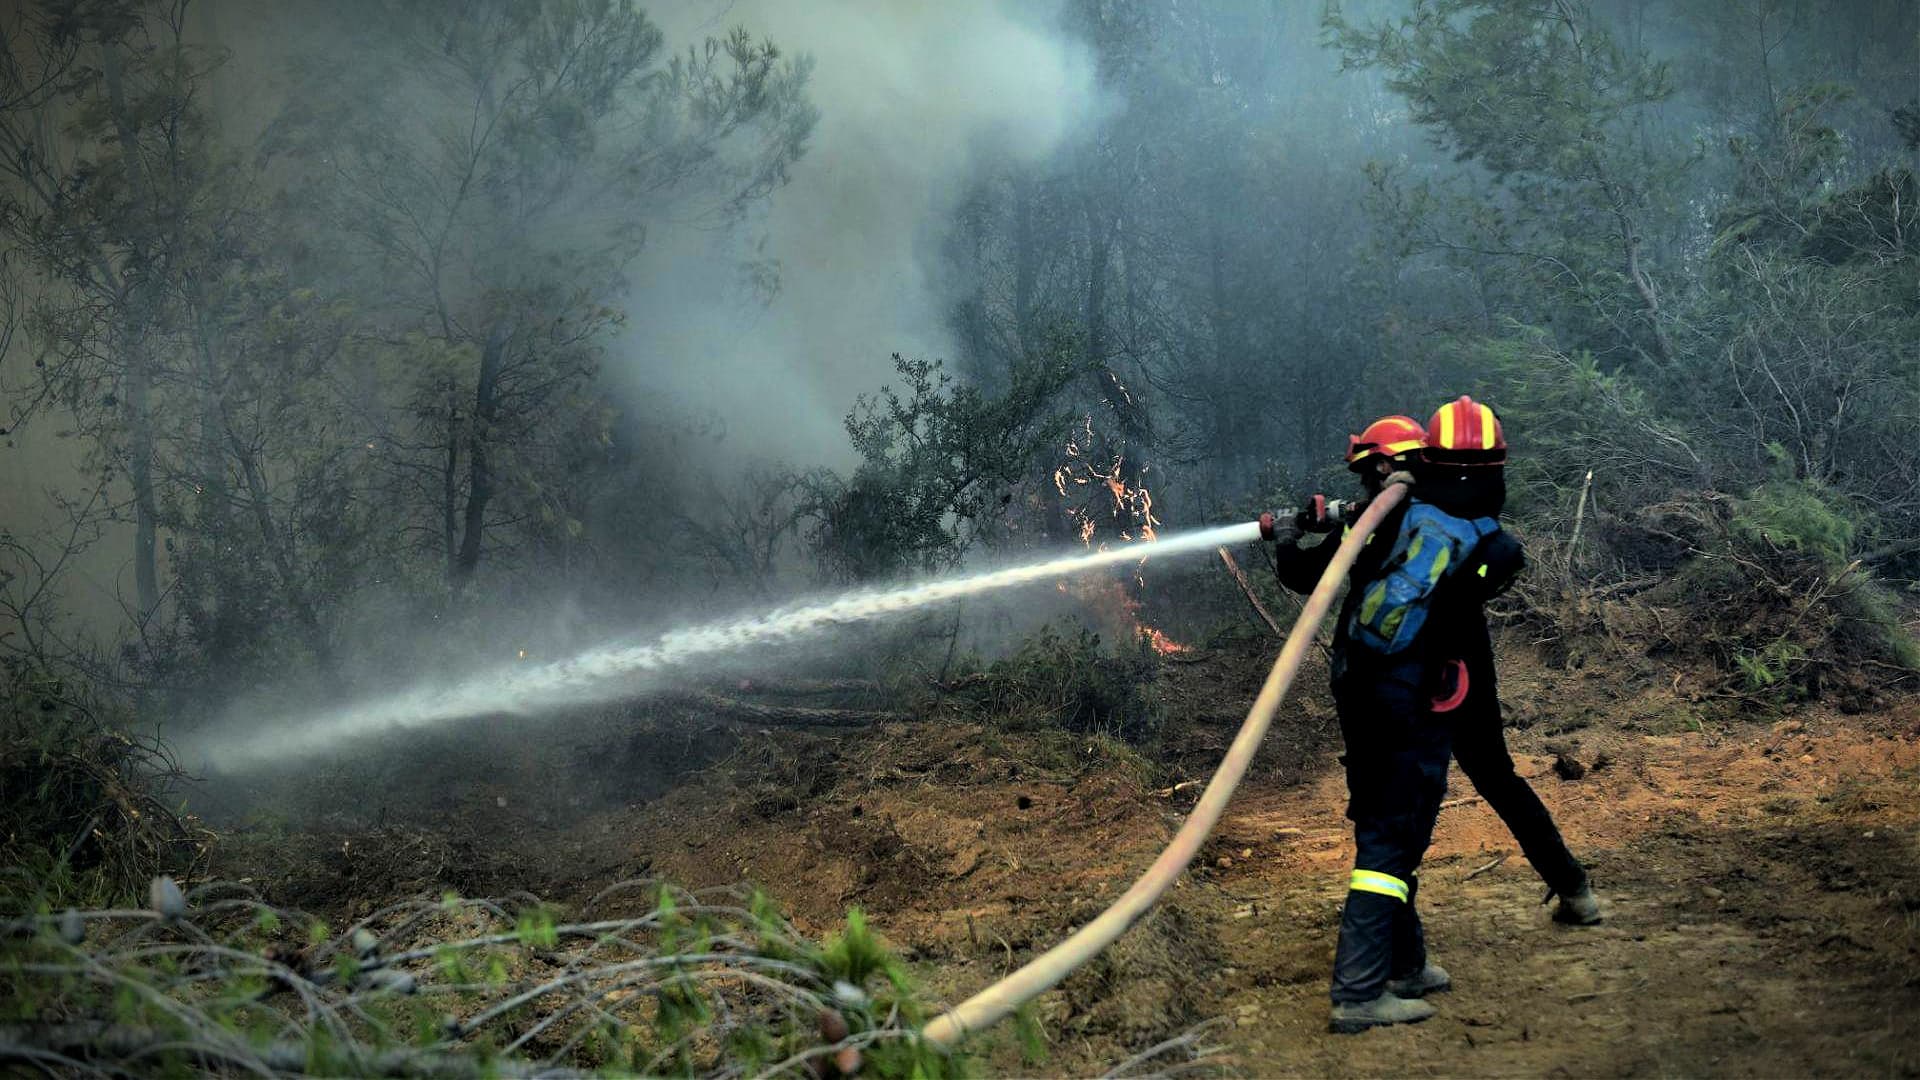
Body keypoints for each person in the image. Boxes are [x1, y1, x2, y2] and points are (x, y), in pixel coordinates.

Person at [1273, 413, 1482, 1032]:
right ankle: (1360, 991)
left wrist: (1288, 533)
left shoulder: (1370, 526)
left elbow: (1301, 576)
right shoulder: (1424, 522)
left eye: (1368, 474)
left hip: (1359, 687)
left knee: (1392, 822)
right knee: (1393, 831)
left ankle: (1406, 963)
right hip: (1401, 697)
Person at [1416, 396, 1602, 926]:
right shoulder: (1498, 547)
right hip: (1467, 660)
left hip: (1413, 665)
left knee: (1403, 796)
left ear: (1428, 459)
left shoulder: (1409, 516)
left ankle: (1393, 945)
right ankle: (1574, 887)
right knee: (1497, 777)